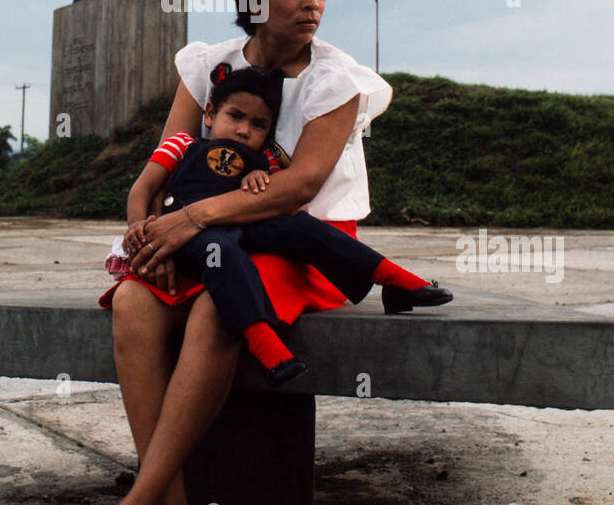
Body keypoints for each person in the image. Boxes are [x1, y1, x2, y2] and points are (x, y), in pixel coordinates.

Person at [59, 0, 450, 505]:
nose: (315, 3)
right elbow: (160, 168)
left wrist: (192, 221)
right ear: (252, 0)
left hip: (306, 243)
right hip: (203, 235)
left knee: (220, 307)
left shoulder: (336, 80)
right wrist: (149, 233)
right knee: (135, 302)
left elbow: (299, 184)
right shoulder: (211, 69)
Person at [105, 62, 420, 386]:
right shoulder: (183, 144)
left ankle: (391, 278)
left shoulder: (264, 158)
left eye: (258, 124)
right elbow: (142, 188)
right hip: (189, 235)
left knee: (299, 226)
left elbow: (280, 192)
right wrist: (137, 226)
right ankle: (265, 346)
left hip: (242, 224)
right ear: (210, 113)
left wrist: (260, 177)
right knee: (222, 253)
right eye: (235, 116)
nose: (244, 130)